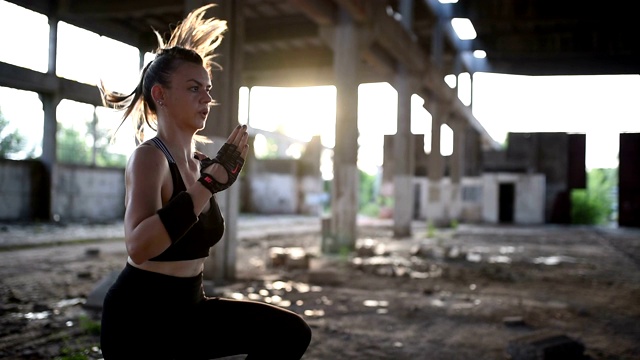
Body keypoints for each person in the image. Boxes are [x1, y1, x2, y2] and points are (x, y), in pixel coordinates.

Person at [97, 4, 312, 359]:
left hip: (191, 308)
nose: (207, 98)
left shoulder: (199, 163)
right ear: (160, 95)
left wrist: (207, 181)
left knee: (289, 333)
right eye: (194, 88)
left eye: (208, 89)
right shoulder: (150, 157)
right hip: (140, 321)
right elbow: (138, 245)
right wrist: (205, 187)